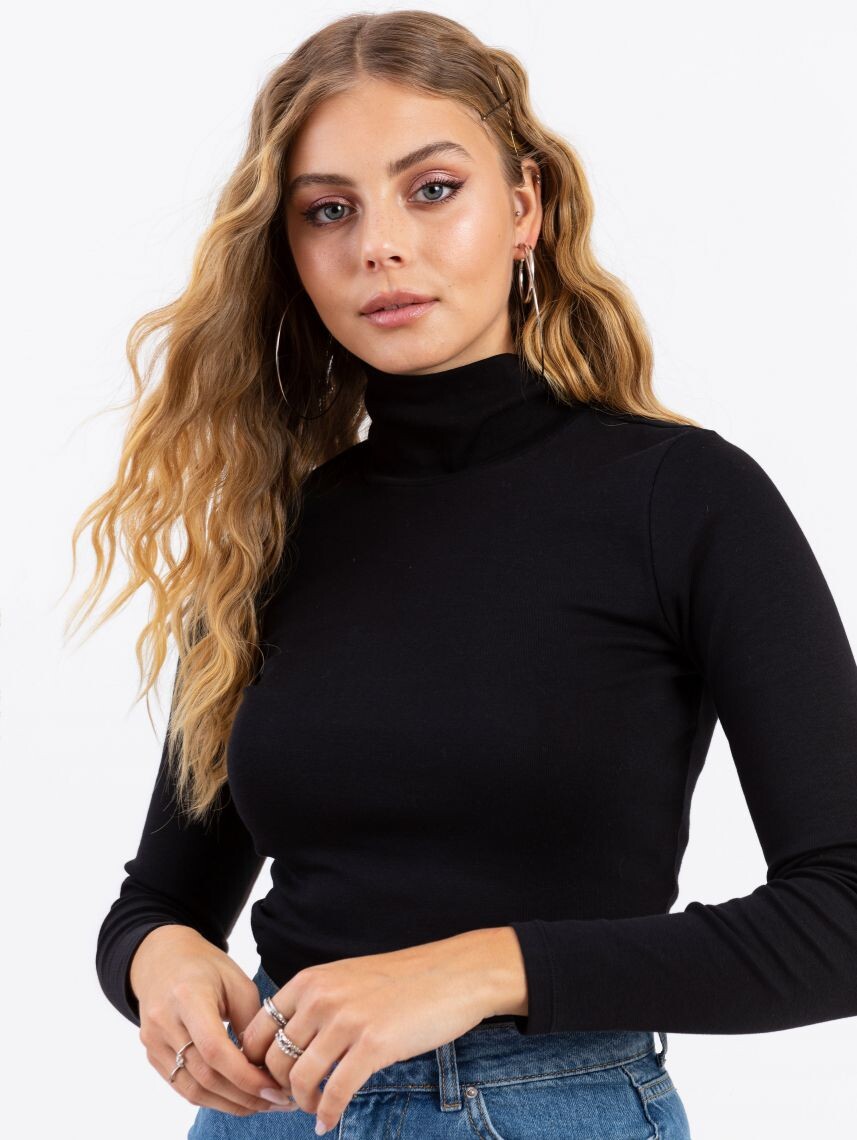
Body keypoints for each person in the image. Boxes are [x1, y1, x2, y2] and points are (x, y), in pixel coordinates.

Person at [76, 10, 857, 1140]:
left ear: (524, 207)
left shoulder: (682, 498)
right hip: (273, 1111)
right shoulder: (268, 532)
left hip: (548, 1108)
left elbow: (841, 915)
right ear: (287, 249)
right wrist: (160, 961)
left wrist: (483, 969)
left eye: (431, 189)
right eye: (328, 210)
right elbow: (160, 897)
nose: (379, 246)